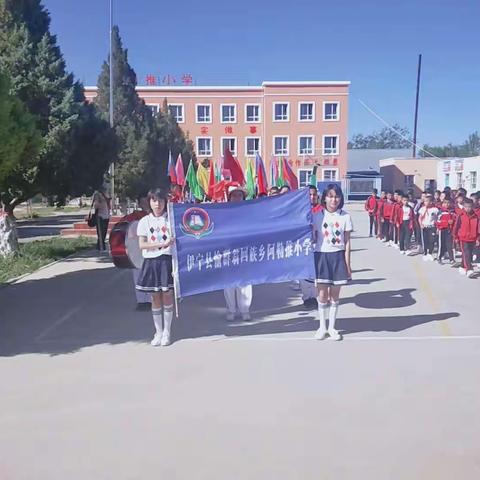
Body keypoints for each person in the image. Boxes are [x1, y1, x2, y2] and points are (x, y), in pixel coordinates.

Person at [312, 184, 353, 341]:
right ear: (324, 198)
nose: (333, 199)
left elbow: (348, 242)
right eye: (330, 196)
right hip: (321, 256)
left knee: (335, 295)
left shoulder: (345, 217)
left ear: (340, 198)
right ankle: (322, 327)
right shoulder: (317, 216)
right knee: (322, 295)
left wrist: (348, 264)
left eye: (336, 196)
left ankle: (332, 327)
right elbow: (312, 237)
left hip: (338, 257)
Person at [136, 188, 175, 346]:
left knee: (167, 294)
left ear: (165, 202)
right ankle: (158, 332)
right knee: (155, 297)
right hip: (151, 261)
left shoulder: (171, 219)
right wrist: (161, 244)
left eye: (160, 200)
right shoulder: (144, 221)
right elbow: (142, 244)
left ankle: (167, 331)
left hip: (166, 260)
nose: (157, 204)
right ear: (149, 202)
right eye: (154, 200)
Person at [223, 185, 253, 321]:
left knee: (245, 283)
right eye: (234, 195)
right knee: (229, 283)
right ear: (229, 198)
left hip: (245, 251)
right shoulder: (222, 213)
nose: (236, 198)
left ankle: (245, 310)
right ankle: (231, 310)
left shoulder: (248, 213)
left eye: (239, 195)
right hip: (227, 252)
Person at [300, 186, 321, 309]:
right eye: (310, 195)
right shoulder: (300, 210)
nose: (312, 197)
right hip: (304, 244)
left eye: (314, 195)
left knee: (315, 273)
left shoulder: (321, 210)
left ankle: (314, 296)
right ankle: (306, 297)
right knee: (304, 273)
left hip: (317, 244)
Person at [453, 198, 479, 278]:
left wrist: (478, 239)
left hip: (473, 238)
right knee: (466, 253)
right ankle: (469, 269)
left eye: (470, 207)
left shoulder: (476, 217)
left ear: (473, 206)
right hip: (463, 238)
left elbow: (478, 228)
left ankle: (462, 266)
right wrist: (455, 237)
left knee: (468, 254)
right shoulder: (460, 216)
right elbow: (456, 227)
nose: (468, 208)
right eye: (466, 207)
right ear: (463, 207)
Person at [418, 194, 439, 261]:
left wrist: (437, 227)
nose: (425, 202)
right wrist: (421, 224)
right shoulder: (422, 209)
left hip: (432, 227)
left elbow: (437, 219)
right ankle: (425, 253)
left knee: (432, 241)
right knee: (425, 240)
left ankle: (430, 253)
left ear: (431, 202)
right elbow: (420, 218)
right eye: (425, 201)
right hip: (424, 227)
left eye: (427, 201)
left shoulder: (435, 209)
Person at [436, 198, 456, 264]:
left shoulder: (453, 212)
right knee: (441, 244)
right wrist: (447, 222)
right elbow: (438, 221)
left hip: (450, 230)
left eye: (448, 203)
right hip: (442, 230)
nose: (447, 204)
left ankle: (452, 259)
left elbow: (456, 220)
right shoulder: (441, 212)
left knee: (450, 245)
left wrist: (453, 222)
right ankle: (439, 257)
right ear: (442, 204)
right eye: (445, 203)